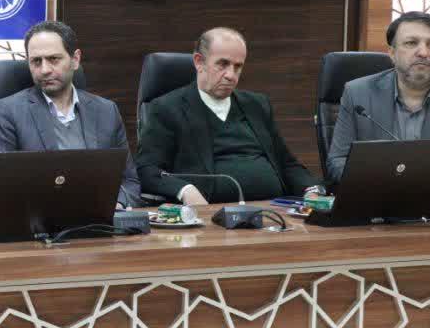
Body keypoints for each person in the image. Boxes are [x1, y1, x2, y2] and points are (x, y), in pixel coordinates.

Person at [136, 27, 320, 205]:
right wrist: (184, 190)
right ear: (199, 62)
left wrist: (311, 191)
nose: (231, 75)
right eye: (222, 64)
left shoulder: (257, 105)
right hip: (210, 214)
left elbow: (286, 163)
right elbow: (147, 170)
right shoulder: (167, 108)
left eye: (238, 66)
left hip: (274, 209)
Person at [326, 12, 430, 191]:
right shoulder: (357, 93)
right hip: (373, 201)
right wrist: (405, 176)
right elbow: (337, 162)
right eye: (411, 43)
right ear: (392, 53)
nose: (423, 52)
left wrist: (400, 174)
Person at [0, 21, 141, 206]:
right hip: (39, 219)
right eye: (36, 61)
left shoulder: (106, 111)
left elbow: (130, 181)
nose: (45, 70)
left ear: (75, 59)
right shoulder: (7, 111)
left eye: (54, 59)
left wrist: (116, 204)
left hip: (99, 218)